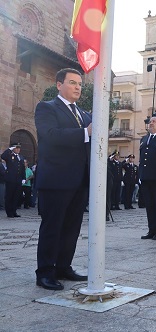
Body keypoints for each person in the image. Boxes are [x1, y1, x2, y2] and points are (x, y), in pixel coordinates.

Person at [34, 68, 92, 290]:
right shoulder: (47, 108)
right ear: (59, 85)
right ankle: (45, 272)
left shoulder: (85, 114)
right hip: (56, 180)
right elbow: (50, 136)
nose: (78, 87)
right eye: (72, 83)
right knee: (52, 227)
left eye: (80, 84)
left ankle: (63, 267)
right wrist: (85, 133)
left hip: (79, 180)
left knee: (71, 227)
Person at [1, 143, 25, 218]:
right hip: (10, 179)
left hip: (18, 180)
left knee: (16, 196)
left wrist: (23, 178)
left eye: (19, 148)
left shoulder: (21, 157)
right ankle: (9, 212)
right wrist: (9, 149)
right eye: (16, 148)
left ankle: (14, 211)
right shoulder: (9, 155)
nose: (18, 149)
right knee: (9, 196)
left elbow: (22, 169)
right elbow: (3, 156)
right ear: (13, 148)